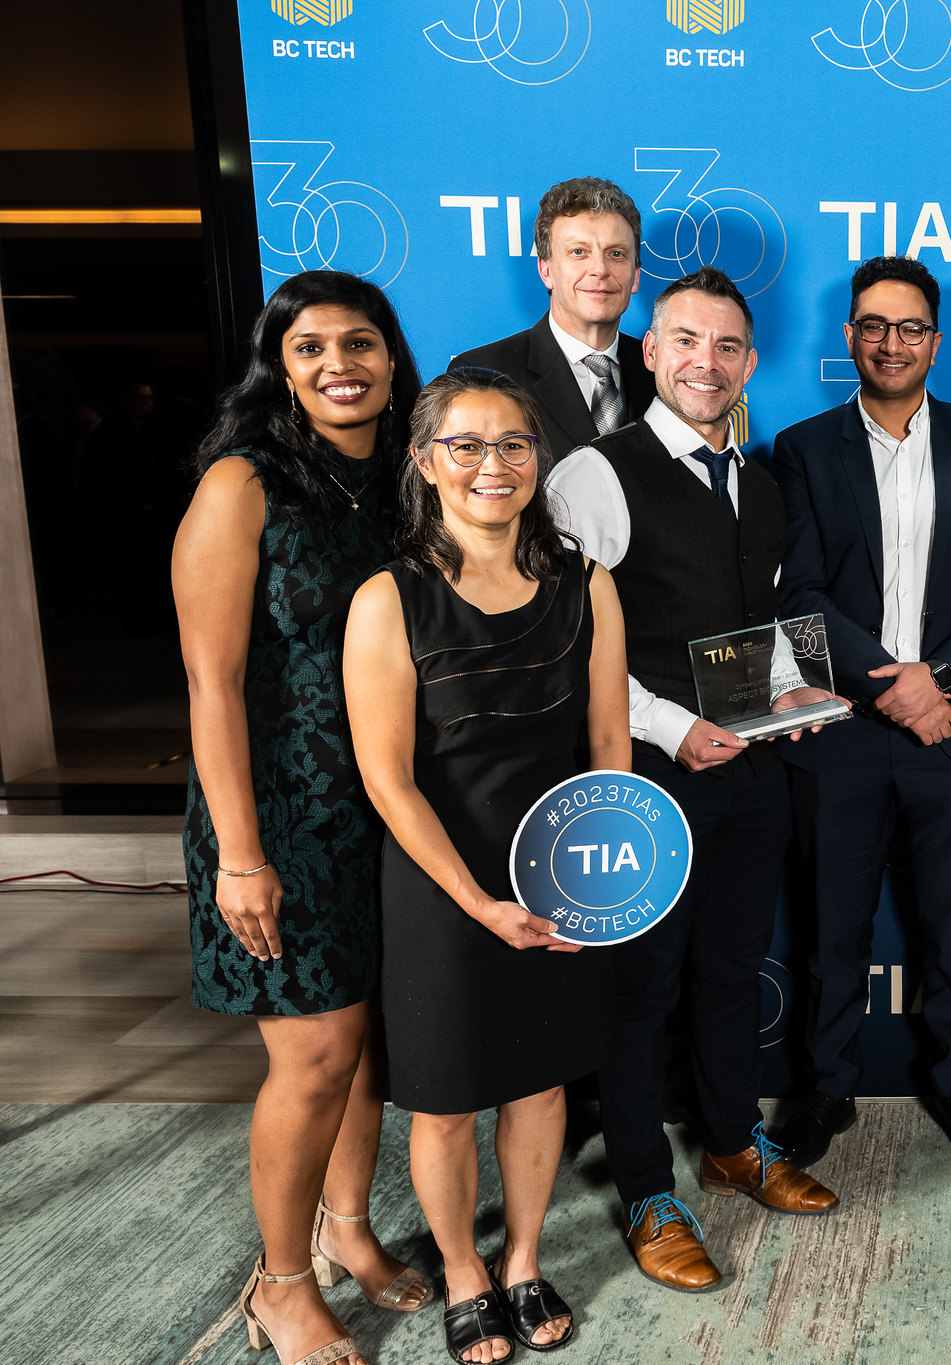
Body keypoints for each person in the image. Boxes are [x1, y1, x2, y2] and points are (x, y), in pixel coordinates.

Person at [548, 267, 840, 1296]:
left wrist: (785, 704)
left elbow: (753, 634)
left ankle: (729, 1141)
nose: (703, 363)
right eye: (683, 342)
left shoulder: (757, 481)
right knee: (642, 993)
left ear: (748, 362)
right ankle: (645, 1191)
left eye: (724, 347)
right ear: (649, 351)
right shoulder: (595, 473)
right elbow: (571, 640)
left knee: (730, 970)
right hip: (643, 778)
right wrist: (675, 730)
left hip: (749, 772)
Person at [174, 270, 432, 1365]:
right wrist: (239, 853)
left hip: (386, 804)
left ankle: (349, 1231)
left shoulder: (408, 480)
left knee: (367, 1044)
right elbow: (211, 684)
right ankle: (280, 1287)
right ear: (278, 366)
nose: (341, 364)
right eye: (312, 346)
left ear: (391, 358)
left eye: (362, 343)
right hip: (277, 816)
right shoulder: (242, 485)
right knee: (316, 1056)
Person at [343, 369, 626, 1362]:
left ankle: (523, 1262)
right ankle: (465, 1269)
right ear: (425, 463)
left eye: (511, 444)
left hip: (555, 874)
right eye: (464, 446)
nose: (491, 465)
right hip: (439, 884)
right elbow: (388, 781)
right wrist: (477, 901)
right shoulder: (389, 600)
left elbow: (607, 745)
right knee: (446, 1097)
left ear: (536, 459)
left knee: (540, 1085)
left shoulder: (586, 585)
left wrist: (593, 878)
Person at [769, 256, 951, 1167]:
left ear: (936, 341)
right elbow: (798, 594)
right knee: (831, 933)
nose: (891, 342)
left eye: (910, 327)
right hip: (840, 731)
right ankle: (826, 1091)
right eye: (873, 326)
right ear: (849, 336)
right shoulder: (802, 449)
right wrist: (894, 681)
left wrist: (943, 680)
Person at [450, 177, 654, 455]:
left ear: (636, 276)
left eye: (616, 254)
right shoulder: (482, 373)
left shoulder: (662, 372)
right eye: (578, 252)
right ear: (546, 271)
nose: (600, 269)